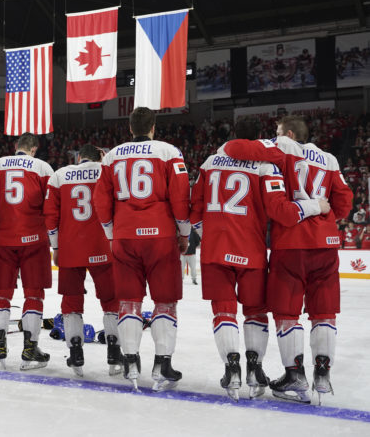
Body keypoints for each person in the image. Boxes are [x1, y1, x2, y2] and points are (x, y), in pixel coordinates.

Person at [190, 118, 329, 401]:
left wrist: (208, 233)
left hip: (216, 248)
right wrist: (314, 206)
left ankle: (232, 370)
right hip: (250, 249)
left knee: (223, 311)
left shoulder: (210, 162)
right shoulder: (267, 167)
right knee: (255, 311)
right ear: (259, 140)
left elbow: (195, 206)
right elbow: (279, 209)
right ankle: (255, 370)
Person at [224, 115, 353, 404]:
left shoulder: (280, 150)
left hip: (291, 245)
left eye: (277, 133)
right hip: (326, 246)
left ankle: (295, 375)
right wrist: (324, 220)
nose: (273, 136)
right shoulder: (329, 159)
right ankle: (322, 372)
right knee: (324, 312)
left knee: (287, 314)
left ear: (289, 134)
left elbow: (234, 149)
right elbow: (344, 203)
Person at [94, 107, 191, 390]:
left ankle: (131, 361)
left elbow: (101, 201)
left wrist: (112, 234)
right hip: (160, 235)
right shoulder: (168, 151)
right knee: (165, 302)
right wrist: (183, 232)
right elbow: (180, 195)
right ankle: (163, 364)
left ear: (129, 128)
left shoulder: (112, 155)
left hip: (124, 235)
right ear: (153, 128)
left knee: (128, 302)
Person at [44, 144, 122, 377]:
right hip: (103, 246)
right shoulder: (109, 170)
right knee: (111, 302)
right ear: (100, 156)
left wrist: (55, 247)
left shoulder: (59, 175)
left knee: (71, 303)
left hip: (70, 248)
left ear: (79, 157)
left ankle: (76, 352)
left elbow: (51, 217)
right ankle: (114, 355)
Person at [0, 133, 54, 370]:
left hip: (3, 238)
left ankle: (0, 344)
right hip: (34, 239)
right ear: (33, 148)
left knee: (0, 295)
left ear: (16, 147)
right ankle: (30, 348)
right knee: (34, 295)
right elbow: (50, 206)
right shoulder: (43, 168)